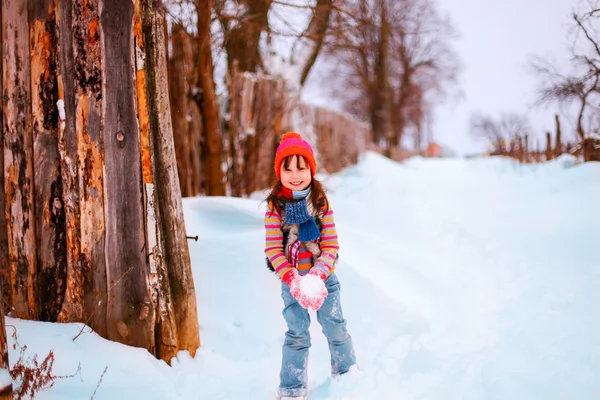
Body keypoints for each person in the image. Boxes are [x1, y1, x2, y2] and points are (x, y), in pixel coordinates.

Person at [264, 132, 357, 399]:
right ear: (279, 171)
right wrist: (294, 279)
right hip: (291, 280)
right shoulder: (275, 208)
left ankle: (347, 376)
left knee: (336, 327)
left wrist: (317, 275)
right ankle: (292, 389)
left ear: (311, 170)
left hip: (324, 279)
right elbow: (272, 249)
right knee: (297, 334)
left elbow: (331, 246)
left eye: (301, 167)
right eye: (288, 168)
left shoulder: (320, 203)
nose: (295, 175)